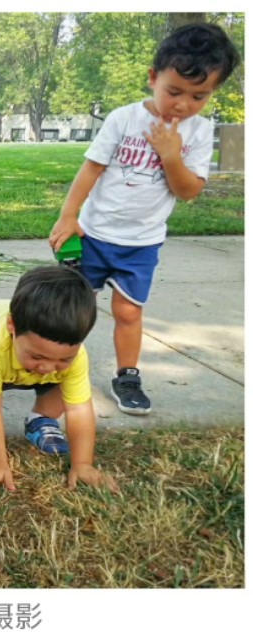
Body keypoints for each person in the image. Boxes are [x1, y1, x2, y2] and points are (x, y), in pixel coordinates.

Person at [49, 23, 240, 416]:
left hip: (142, 243)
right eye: (174, 91)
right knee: (73, 308)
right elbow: (91, 170)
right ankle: (58, 368)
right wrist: (68, 217)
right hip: (95, 234)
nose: (183, 105)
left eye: (199, 96)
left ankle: (127, 375)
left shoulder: (200, 133)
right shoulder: (123, 119)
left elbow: (188, 190)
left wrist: (171, 154)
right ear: (153, 78)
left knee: (128, 311)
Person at [0, 266, 118, 496]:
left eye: (63, 358)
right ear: (12, 326)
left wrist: (82, 464)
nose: (48, 367)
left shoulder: (75, 357)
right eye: (38, 356)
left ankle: (40, 419)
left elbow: (79, 409)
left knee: (65, 378)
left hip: (18, 366)